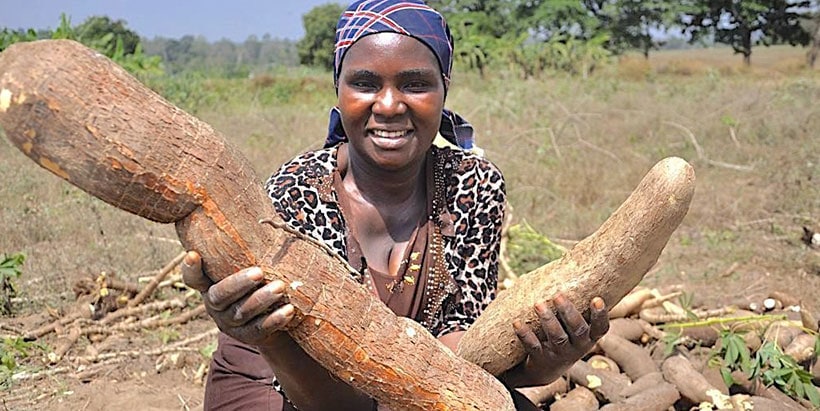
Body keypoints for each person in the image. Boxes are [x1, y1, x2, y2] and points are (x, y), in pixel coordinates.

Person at [181, 1, 609, 409]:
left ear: (445, 89)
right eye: (365, 83)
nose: (388, 105)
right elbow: (330, 398)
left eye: (415, 84)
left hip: (407, 389)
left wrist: (546, 363)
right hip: (281, 385)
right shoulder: (294, 192)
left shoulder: (473, 186)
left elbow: (468, 361)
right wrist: (264, 334)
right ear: (339, 88)